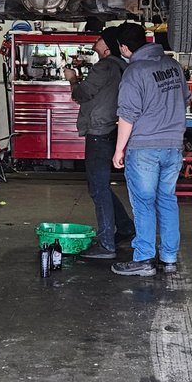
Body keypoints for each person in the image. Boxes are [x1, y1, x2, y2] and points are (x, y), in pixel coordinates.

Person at [112, 25, 187, 276]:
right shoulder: (173, 66)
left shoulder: (135, 71)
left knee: (143, 204)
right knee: (166, 200)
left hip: (144, 149)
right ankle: (168, 258)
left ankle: (144, 259)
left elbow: (127, 116)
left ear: (124, 47)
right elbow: (185, 99)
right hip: (173, 147)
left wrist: (118, 150)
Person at [65, 22, 135, 261]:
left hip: (98, 132)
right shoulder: (121, 66)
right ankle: (125, 228)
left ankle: (106, 244)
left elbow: (81, 94)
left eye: (100, 38)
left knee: (98, 188)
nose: (96, 41)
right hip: (112, 131)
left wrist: (73, 79)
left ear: (107, 46)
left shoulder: (103, 67)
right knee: (101, 186)